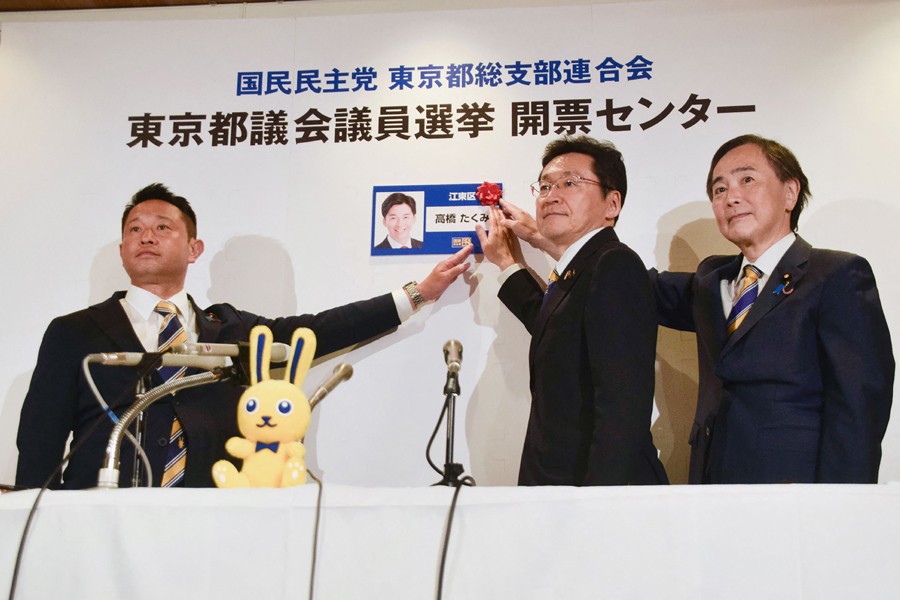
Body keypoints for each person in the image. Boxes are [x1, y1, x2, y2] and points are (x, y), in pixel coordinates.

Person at [16, 183, 472, 489]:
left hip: (212, 522)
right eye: (134, 230)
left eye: (162, 228)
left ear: (193, 249)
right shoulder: (74, 332)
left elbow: (318, 330)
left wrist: (416, 294)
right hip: (100, 519)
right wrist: (32, 525)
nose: (146, 237)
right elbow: (39, 443)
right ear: (122, 250)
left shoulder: (229, 328)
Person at [651, 134, 894, 483]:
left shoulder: (836, 274)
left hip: (795, 491)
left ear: (790, 193)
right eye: (719, 189)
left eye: (747, 180)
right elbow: (631, 287)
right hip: (711, 486)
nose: (731, 197)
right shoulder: (710, 279)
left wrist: (842, 503)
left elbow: (859, 408)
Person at [475, 136, 668, 486]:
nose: (551, 195)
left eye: (570, 183)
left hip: (593, 496)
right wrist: (506, 262)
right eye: (545, 186)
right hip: (561, 491)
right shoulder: (582, 269)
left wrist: (593, 504)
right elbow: (556, 331)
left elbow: (622, 409)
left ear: (612, 203)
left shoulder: (615, 264)